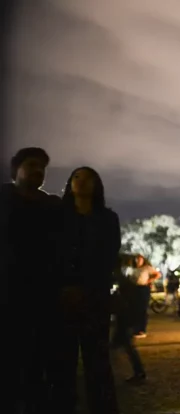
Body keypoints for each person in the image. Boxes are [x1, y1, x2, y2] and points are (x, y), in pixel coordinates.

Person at [49, 167, 121, 414]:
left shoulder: (108, 219)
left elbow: (109, 256)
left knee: (98, 362)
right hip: (63, 297)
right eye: (77, 177)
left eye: (88, 178)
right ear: (69, 184)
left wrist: (91, 287)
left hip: (95, 297)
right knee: (63, 361)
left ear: (97, 185)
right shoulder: (57, 216)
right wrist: (65, 285)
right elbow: (51, 255)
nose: (82, 182)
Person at [1, 147, 60, 414]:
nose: (38, 171)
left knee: (38, 362)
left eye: (42, 168)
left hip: (42, 296)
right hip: (8, 293)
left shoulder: (52, 206)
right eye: (32, 165)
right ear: (16, 170)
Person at [131, 255, 161, 338]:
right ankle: (135, 329)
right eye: (137, 260)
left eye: (140, 260)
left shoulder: (147, 268)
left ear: (143, 261)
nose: (138, 261)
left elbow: (157, 274)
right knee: (135, 309)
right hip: (135, 289)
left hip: (143, 288)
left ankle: (142, 330)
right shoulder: (134, 269)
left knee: (142, 309)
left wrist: (149, 280)